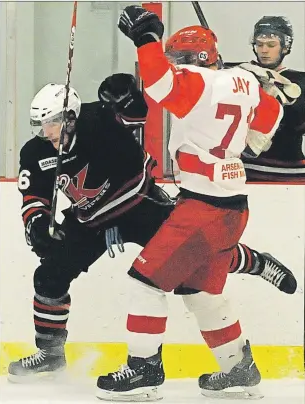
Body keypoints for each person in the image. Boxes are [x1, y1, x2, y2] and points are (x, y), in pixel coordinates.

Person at [8, 70, 295, 384]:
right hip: (91, 220)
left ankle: (256, 262)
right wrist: (35, 224)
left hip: (138, 204)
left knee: (192, 260)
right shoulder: (36, 152)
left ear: (71, 116)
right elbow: (33, 194)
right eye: (42, 125)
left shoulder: (98, 120)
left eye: (53, 123)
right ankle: (50, 354)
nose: (47, 132)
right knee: (49, 276)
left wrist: (128, 94)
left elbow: (135, 116)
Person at [95, 6, 285, 401]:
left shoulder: (197, 81)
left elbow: (161, 86)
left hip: (203, 209)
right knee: (202, 295)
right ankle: (239, 369)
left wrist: (146, 37)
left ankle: (144, 369)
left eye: (178, 58)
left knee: (144, 283)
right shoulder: (245, 82)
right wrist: (258, 113)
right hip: (232, 209)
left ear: (195, 59)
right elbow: (269, 119)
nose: (175, 65)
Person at [235, 16, 305, 182]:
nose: (264, 50)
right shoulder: (242, 76)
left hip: (292, 171)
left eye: (271, 45)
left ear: (285, 47)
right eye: (259, 44)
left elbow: (295, 121)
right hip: (248, 169)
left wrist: (273, 94)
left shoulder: (301, 81)